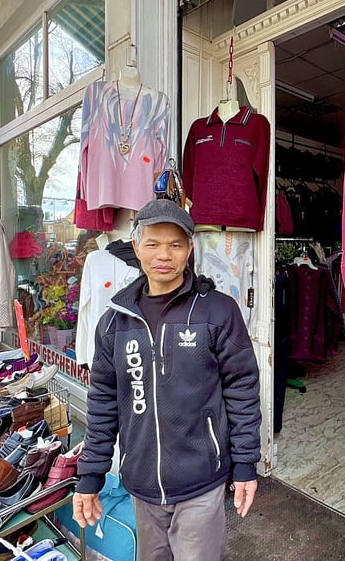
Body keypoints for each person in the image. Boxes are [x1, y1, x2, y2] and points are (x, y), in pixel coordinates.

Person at [73, 198, 262, 561]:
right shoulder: (114, 321)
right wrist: (91, 475)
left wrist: (245, 464)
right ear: (136, 247)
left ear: (189, 249)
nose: (164, 255)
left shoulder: (217, 311)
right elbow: (103, 402)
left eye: (175, 245)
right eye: (153, 243)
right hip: (141, 483)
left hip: (201, 480)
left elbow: (242, 391)